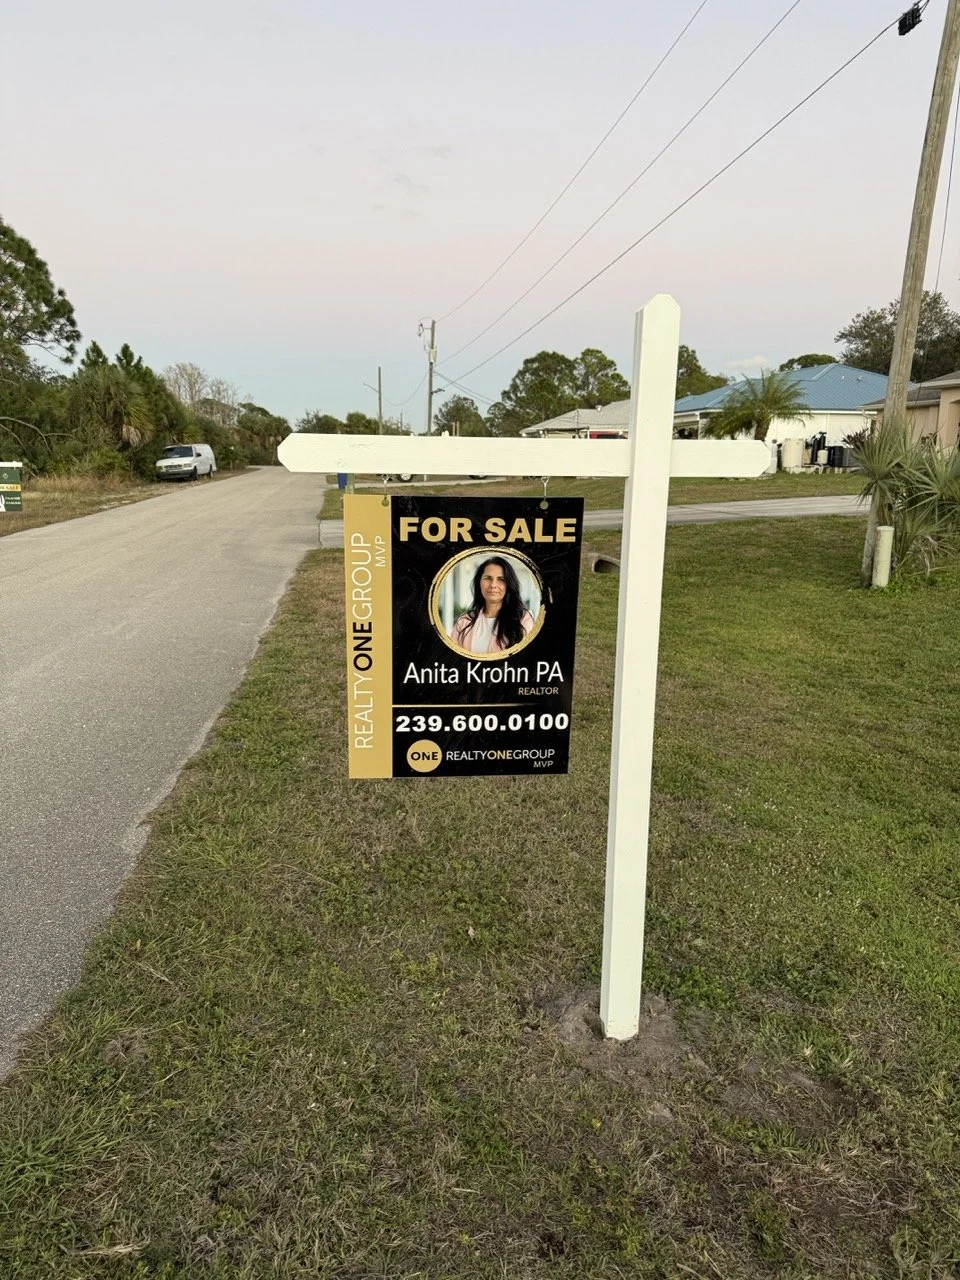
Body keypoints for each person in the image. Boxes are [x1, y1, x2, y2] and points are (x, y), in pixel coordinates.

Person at [449, 556, 535, 654]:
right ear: (479, 583)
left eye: (501, 579)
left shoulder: (523, 619)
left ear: (509, 584)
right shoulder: (463, 622)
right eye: (487, 578)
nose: (493, 585)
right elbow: (452, 660)